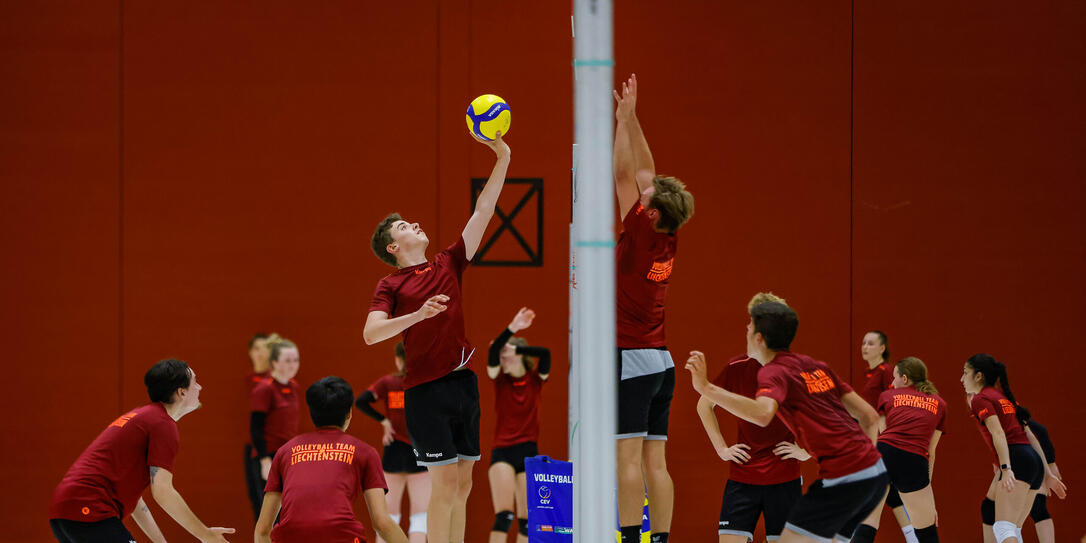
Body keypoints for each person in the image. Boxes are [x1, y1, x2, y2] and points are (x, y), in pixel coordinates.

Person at [363, 130, 511, 543]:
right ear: (394, 246)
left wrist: (503, 156)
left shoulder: (450, 261)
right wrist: (415, 316)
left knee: (462, 488)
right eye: (405, 226)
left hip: (463, 384)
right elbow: (371, 334)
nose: (415, 224)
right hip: (425, 392)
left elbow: (485, 209)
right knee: (443, 489)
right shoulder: (391, 285)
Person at [686, 300, 887, 543]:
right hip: (873, 472)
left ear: (760, 338)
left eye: (749, 327)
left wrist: (705, 386)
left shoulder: (774, 372)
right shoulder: (815, 366)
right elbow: (869, 416)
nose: (746, 331)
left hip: (841, 476)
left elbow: (762, 414)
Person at [612, 73, 695, 543]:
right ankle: (660, 539)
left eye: (646, 202)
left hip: (631, 360)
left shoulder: (643, 235)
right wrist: (632, 117)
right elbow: (646, 174)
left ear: (654, 214)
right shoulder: (668, 233)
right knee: (655, 462)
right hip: (659, 361)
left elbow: (626, 175)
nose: (640, 198)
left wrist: (622, 124)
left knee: (627, 460)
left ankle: (628, 538)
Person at [49, 359, 234, 543]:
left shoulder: (145, 416)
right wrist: (205, 534)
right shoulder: (162, 424)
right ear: (182, 392)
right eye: (195, 382)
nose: (200, 387)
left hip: (65, 511)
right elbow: (163, 491)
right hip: (89, 510)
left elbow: (135, 501)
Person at [695, 292, 806, 543]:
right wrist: (721, 449)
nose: (746, 326)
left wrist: (805, 451)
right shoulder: (737, 367)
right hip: (743, 478)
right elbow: (704, 405)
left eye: (751, 321)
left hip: (784, 479)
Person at [255, 376, 408, 543]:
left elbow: (263, 530)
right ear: (349, 413)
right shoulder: (365, 452)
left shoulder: (285, 452)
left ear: (311, 411)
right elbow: (382, 523)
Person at [962, 354, 1066, 543]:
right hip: (1032, 461)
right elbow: (1031, 436)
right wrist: (1047, 473)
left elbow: (999, 434)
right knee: (1012, 528)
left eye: (965, 373)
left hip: (1016, 459)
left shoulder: (981, 399)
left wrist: (1006, 468)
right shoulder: (1004, 398)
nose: (961, 379)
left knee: (1003, 528)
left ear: (979, 376)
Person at [852, 357, 947, 543]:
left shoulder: (887, 396)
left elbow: (882, 432)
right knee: (926, 531)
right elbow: (931, 451)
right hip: (915, 460)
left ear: (904, 379)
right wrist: (926, 493)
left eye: (894, 377)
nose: (891, 382)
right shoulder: (940, 404)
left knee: (868, 522)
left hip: (884, 452)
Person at [486, 307, 552, 543]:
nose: (501, 359)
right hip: (502, 452)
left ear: (517, 354)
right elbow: (493, 350)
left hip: (528, 452)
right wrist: (512, 328)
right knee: (504, 516)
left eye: (506, 354)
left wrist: (518, 348)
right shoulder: (500, 380)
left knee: (527, 520)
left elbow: (545, 353)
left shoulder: (536, 380)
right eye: (501, 355)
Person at [355, 342, 430, 543]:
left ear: (398, 360)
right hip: (420, 451)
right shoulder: (425, 382)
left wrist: (384, 421)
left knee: (388, 518)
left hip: (394, 451)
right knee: (420, 518)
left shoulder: (387, 382)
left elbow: (361, 401)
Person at [857, 331, 918, 542]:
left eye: (871, 343)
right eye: (863, 343)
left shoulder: (887, 372)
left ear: (883, 348)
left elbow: (892, 408)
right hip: (873, 442)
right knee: (892, 495)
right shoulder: (872, 373)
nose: (865, 347)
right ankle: (915, 537)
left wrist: (884, 442)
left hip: (882, 443)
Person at [980, 406, 1062, 543]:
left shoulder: (994, 402)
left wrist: (1050, 466)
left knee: (1009, 524)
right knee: (994, 512)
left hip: (1026, 460)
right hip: (1020, 460)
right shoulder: (987, 405)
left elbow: (1038, 432)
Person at [247, 334, 301, 520]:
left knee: (289, 513)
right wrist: (264, 461)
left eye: (295, 360)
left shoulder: (294, 387)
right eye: (287, 360)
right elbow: (256, 427)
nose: (293, 364)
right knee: (270, 517)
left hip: (288, 457)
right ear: (275, 362)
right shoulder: (264, 388)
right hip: (268, 458)